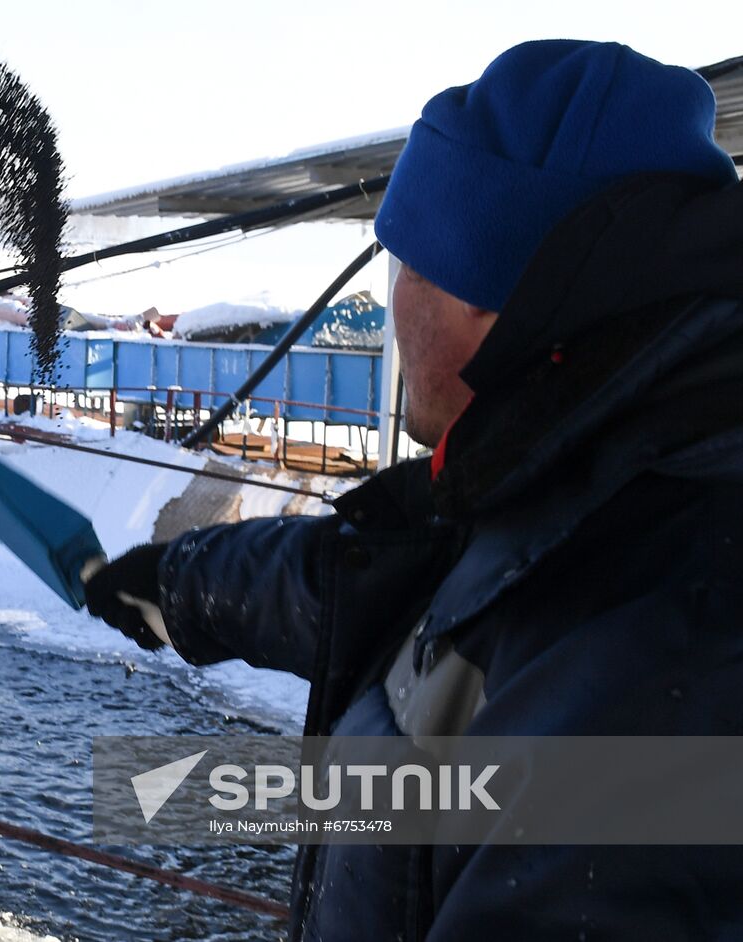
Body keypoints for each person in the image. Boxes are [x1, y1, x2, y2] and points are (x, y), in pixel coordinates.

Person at [84, 40, 743, 940]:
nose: (393, 301)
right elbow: (374, 574)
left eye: (407, 263)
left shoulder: (664, 645)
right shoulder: (564, 479)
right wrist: (178, 586)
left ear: (492, 289)